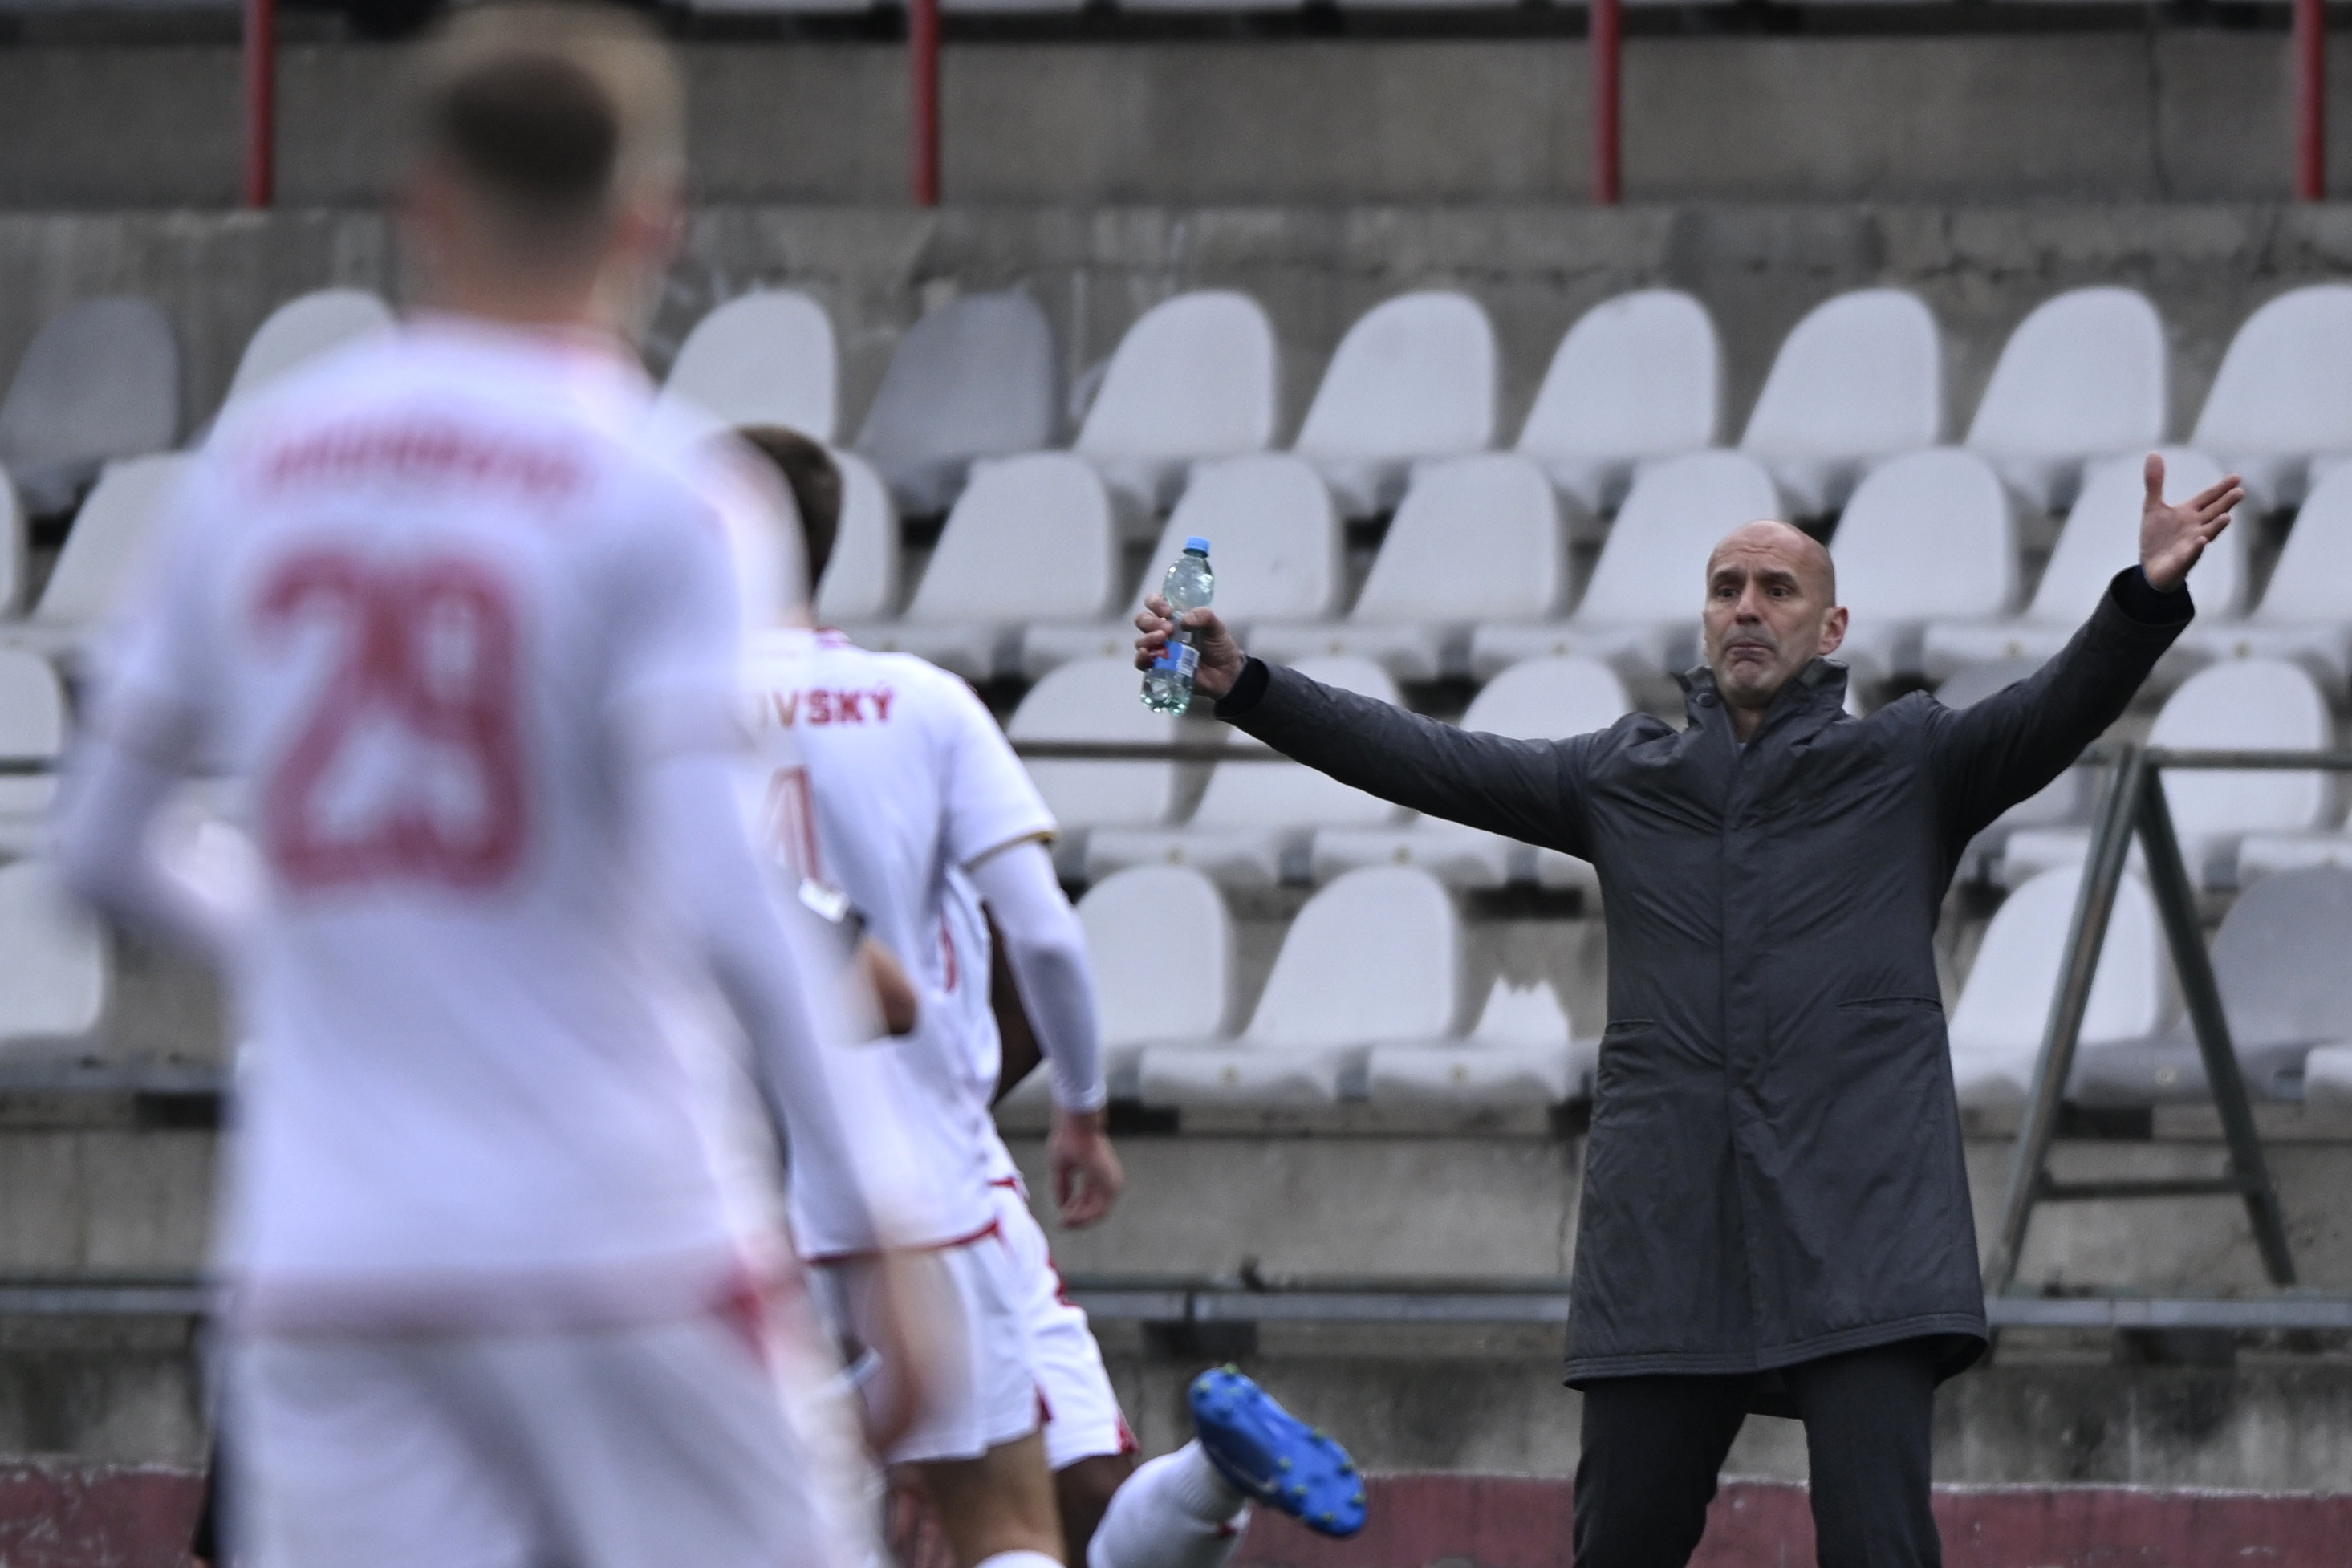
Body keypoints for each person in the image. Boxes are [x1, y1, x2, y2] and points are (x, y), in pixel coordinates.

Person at [54, 11, 928, 1566]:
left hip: (335, 1249)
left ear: (422, 203)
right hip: (617, 1224)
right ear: (654, 217)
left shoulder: (256, 464)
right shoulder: (668, 485)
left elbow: (102, 847)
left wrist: (335, 939)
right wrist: (887, 1208)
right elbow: (726, 879)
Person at [1135, 455, 2243, 1568]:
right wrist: (1247, 689)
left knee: (1879, 1551)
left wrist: (2144, 592)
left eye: (1776, 589)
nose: (1747, 608)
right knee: (1621, 1547)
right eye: (1726, 588)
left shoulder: (1911, 761)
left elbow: (2060, 704)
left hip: (1865, 1225)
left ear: (1831, 626)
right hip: (1664, 1232)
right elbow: (1431, 759)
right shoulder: (1625, 777)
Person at [737, 426, 1370, 1568]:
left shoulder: (638, 724)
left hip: (729, 1196)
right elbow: (1042, 935)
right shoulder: (920, 704)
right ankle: (1209, 1478)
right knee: (1044, 1517)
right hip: (931, 1183)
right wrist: (1081, 1109)